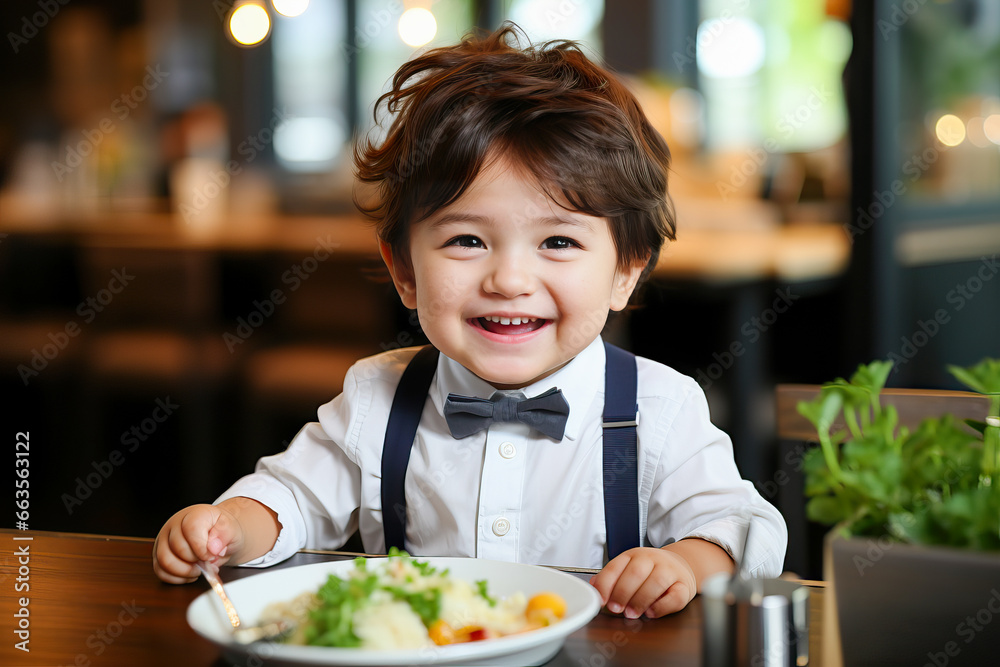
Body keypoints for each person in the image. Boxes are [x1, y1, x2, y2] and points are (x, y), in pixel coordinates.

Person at [154, 23, 787, 619]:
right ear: (404, 270)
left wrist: (682, 564)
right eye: (466, 240)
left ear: (625, 270)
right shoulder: (377, 398)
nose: (508, 281)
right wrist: (230, 527)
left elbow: (738, 527)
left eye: (558, 243)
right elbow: (293, 498)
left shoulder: (661, 407)